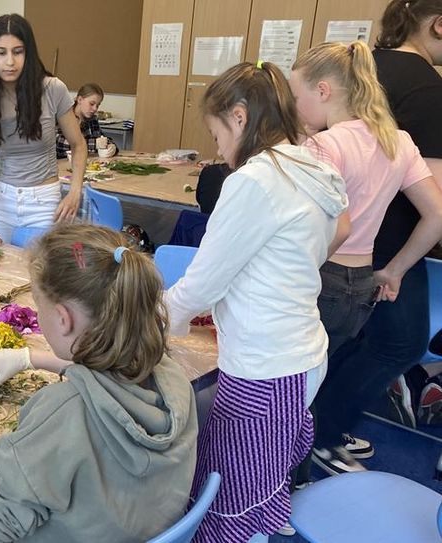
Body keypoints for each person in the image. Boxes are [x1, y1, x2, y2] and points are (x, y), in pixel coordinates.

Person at [163, 61, 348, 543]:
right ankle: (264, 522)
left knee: (231, 485)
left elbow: (202, 282)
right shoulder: (313, 168)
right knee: (264, 468)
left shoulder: (255, 181)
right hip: (302, 352)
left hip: (266, 365)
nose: (217, 146)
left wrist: (151, 317)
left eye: (216, 131)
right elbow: (285, 257)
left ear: (240, 117)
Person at [0, 223, 197, 543]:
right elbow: (108, 385)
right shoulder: (171, 375)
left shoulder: (61, 417)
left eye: (38, 305)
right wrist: (34, 359)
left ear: (61, 318)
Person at [289, 40, 442, 473]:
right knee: (325, 372)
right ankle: (313, 453)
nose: (295, 107)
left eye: (297, 96)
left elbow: (310, 229)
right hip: (363, 285)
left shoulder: (325, 147)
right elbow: (437, 215)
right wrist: (394, 270)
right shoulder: (398, 142)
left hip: (321, 277)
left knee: (297, 385)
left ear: (323, 91)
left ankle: (289, 475)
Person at [369, 0, 442, 429]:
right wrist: (397, 268)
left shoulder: (358, 69)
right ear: (438, 25)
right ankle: (317, 434)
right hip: (394, 240)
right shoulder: (428, 90)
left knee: (344, 337)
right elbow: (434, 201)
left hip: (340, 236)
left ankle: (310, 428)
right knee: (400, 343)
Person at [0, 14, 88, 246]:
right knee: (0, 273)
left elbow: (79, 144)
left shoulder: (53, 89)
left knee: (42, 276)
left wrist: (74, 192)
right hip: (2, 200)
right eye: (1, 52)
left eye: (18, 51)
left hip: (44, 202)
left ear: (28, 53)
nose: (10, 61)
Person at [55, 83, 117, 159]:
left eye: (98, 105)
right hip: (62, 163)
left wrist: (111, 145)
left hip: (85, 162)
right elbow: (60, 143)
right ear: (79, 99)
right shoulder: (65, 115)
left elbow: (102, 138)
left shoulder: (92, 119)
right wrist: (95, 144)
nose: (95, 109)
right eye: (91, 104)